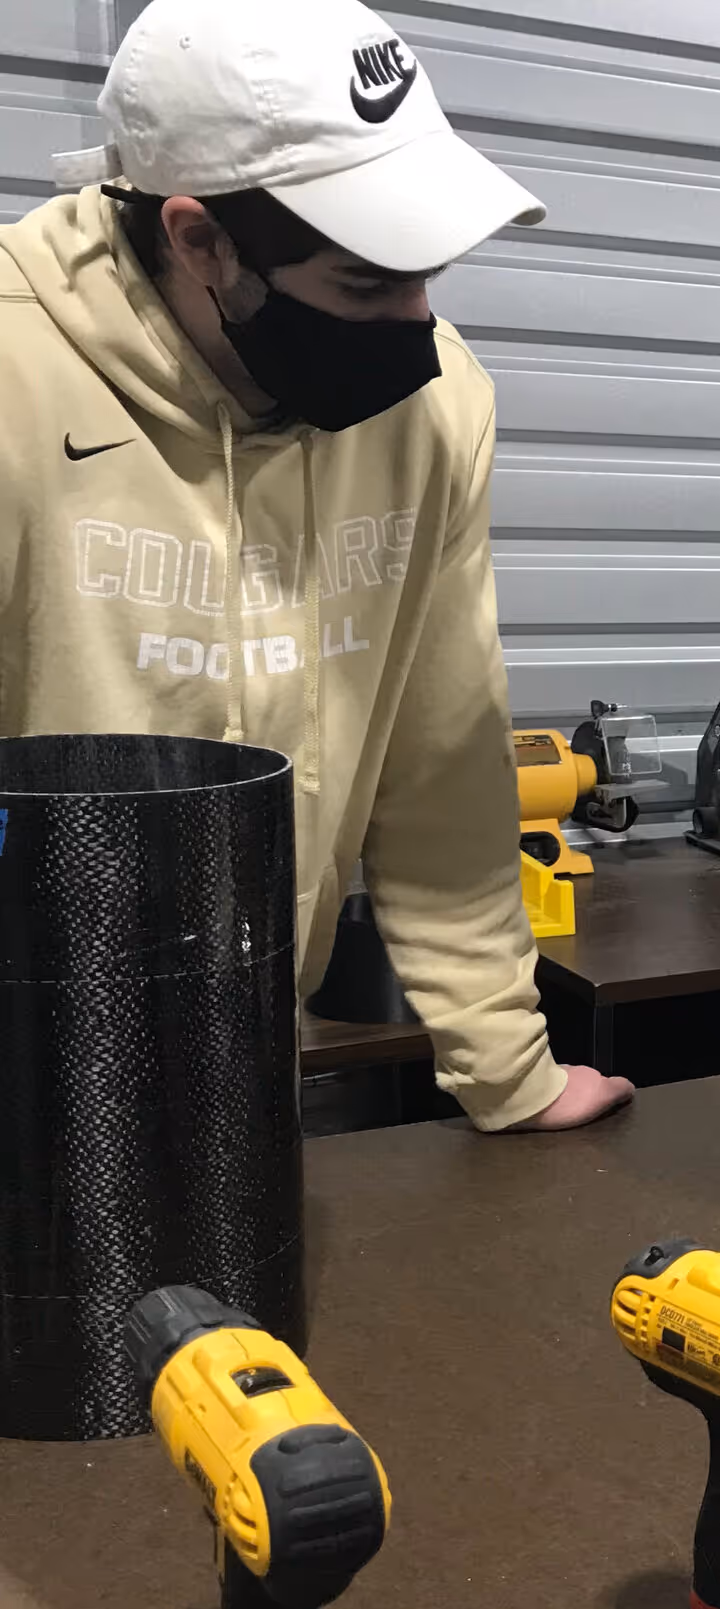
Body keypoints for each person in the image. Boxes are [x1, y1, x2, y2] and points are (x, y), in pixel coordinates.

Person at [0, 0, 631, 1132]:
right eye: (365, 284)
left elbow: (440, 760)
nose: (415, 324)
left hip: (241, 1059)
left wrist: (508, 1067)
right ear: (199, 239)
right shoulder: (12, 381)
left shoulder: (437, 411)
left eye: (426, 275)